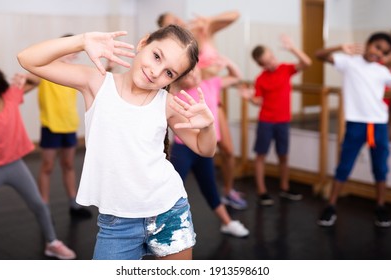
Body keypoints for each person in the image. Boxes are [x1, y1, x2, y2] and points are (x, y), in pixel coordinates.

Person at [17, 25, 217, 260]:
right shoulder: (97, 82)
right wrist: (82, 40)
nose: (155, 72)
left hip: (169, 213)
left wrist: (207, 126)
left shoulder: (167, 103)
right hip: (118, 224)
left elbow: (206, 149)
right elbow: (28, 59)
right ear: (143, 43)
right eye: (156, 56)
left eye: (169, 73)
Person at [0, 60, 76, 260]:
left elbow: (36, 81)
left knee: (39, 205)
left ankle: (52, 243)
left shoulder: (10, 95)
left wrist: (25, 77)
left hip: (16, 165)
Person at [158, 11, 248, 210]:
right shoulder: (179, 48)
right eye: (172, 22)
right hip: (194, 93)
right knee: (205, 148)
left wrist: (210, 20)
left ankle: (228, 190)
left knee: (229, 151)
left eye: (177, 17)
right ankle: (170, 198)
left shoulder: (201, 30)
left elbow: (235, 15)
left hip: (210, 93)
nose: (178, 21)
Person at [315, 32, 391, 228]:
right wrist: (339, 47)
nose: (378, 52)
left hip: (379, 124)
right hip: (356, 123)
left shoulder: (382, 71)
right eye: (377, 46)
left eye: (383, 51)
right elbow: (318, 55)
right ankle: (331, 205)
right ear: (368, 43)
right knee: (344, 166)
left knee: (380, 167)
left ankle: (380, 206)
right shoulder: (349, 62)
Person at [169, 59, 249, 238]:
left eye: (195, 70)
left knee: (210, 187)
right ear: (180, 79)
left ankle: (227, 223)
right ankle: (155, 228)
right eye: (188, 75)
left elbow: (237, 77)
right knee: (171, 188)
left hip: (206, 149)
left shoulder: (212, 83)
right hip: (184, 148)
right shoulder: (175, 93)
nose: (194, 75)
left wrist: (228, 62)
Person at [25, 34, 92, 219]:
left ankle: (73, 204)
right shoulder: (46, 69)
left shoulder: (73, 72)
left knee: (69, 165)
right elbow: (30, 76)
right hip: (50, 126)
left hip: (69, 125)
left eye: (76, 52)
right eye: (71, 50)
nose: (73, 55)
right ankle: (43, 208)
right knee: (47, 166)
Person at [249, 35, 312, 206]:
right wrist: (250, 98)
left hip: (283, 121)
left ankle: (284, 187)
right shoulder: (260, 79)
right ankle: (262, 191)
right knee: (260, 156)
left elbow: (307, 62)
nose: (272, 62)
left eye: (272, 57)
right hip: (266, 121)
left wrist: (292, 48)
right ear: (261, 65)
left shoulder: (285, 69)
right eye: (267, 62)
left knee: (283, 155)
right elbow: (257, 100)